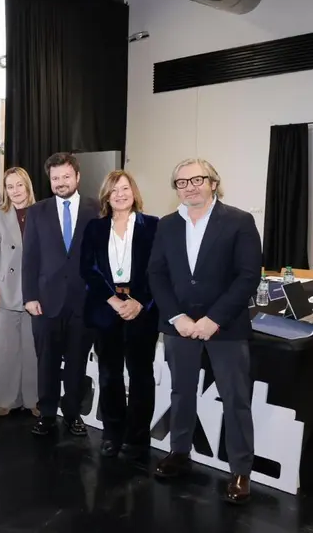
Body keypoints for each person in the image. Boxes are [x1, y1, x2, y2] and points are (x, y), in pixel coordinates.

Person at [148, 158, 260, 504]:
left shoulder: (240, 222)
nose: (190, 186)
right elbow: (157, 275)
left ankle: (241, 471)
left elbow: (247, 276)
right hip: (179, 327)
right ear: (176, 189)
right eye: (182, 182)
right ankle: (180, 453)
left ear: (214, 182)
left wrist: (214, 319)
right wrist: (176, 317)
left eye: (198, 179)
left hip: (225, 328)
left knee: (235, 399)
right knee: (181, 393)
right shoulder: (167, 225)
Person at [80, 170, 159, 459]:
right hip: (106, 309)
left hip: (143, 310)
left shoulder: (152, 226)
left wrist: (140, 302)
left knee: (141, 375)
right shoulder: (95, 228)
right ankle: (113, 433)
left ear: (133, 192)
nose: (120, 194)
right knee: (109, 374)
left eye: (125, 188)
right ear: (107, 196)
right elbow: (87, 269)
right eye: (114, 191)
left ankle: (137, 438)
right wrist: (114, 301)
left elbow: (158, 271)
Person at [22, 152, 98, 436]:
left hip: (84, 302)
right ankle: (48, 413)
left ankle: (72, 413)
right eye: (55, 178)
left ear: (77, 177)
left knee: (77, 362)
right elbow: (29, 258)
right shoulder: (37, 211)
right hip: (44, 301)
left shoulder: (96, 209)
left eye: (66, 176)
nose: (61, 182)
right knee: (47, 362)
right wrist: (29, 296)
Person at [0, 167, 38, 417]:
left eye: (19, 185)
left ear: (27, 186)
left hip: (34, 290)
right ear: (4, 190)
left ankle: (34, 400)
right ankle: (5, 399)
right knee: (6, 347)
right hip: (5, 288)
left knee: (33, 347)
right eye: (10, 186)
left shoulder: (42, 213)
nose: (15, 191)